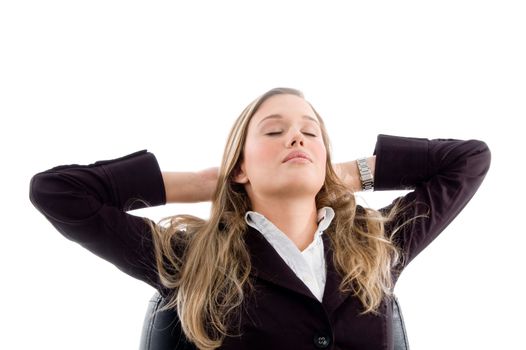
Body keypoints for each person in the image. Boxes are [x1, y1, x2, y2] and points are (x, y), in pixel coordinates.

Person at [29, 87, 491, 350]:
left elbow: (469, 160)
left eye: (311, 133)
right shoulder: (189, 258)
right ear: (241, 165)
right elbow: (57, 191)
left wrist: (349, 174)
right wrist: (197, 183)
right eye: (274, 131)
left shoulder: (376, 245)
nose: (296, 136)